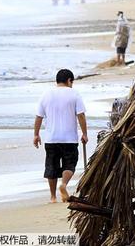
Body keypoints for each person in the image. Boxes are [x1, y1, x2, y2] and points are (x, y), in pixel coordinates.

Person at [33, 69, 87, 203]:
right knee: (70, 164)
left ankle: (52, 197)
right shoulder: (74, 94)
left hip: (51, 138)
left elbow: (39, 116)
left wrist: (36, 134)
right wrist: (84, 133)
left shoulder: (46, 94)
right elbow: (80, 115)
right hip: (69, 139)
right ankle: (63, 185)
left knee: (51, 166)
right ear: (69, 80)